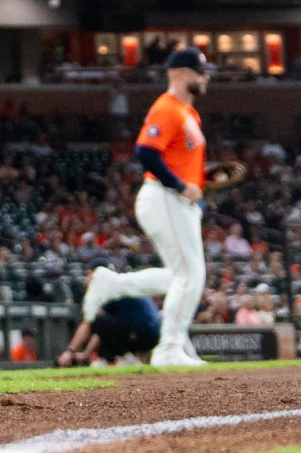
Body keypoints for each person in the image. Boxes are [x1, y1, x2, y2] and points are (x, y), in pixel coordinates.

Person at [130, 47, 213, 369]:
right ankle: (168, 349)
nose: (204, 77)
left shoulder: (189, 113)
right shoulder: (168, 108)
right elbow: (146, 152)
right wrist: (180, 185)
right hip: (164, 197)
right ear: (179, 74)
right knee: (190, 275)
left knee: (183, 276)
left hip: (178, 201)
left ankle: (179, 348)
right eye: (198, 71)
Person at [58, 271, 164, 369]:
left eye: (88, 275)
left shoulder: (109, 287)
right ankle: (121, 358)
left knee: (97, 321)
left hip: (143, 332)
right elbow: (102, 331)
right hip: (155, 335)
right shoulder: (120, 283)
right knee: (103, 324)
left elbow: (90, 323)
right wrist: (86, 354)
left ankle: (126, 358)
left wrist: (69, 351)